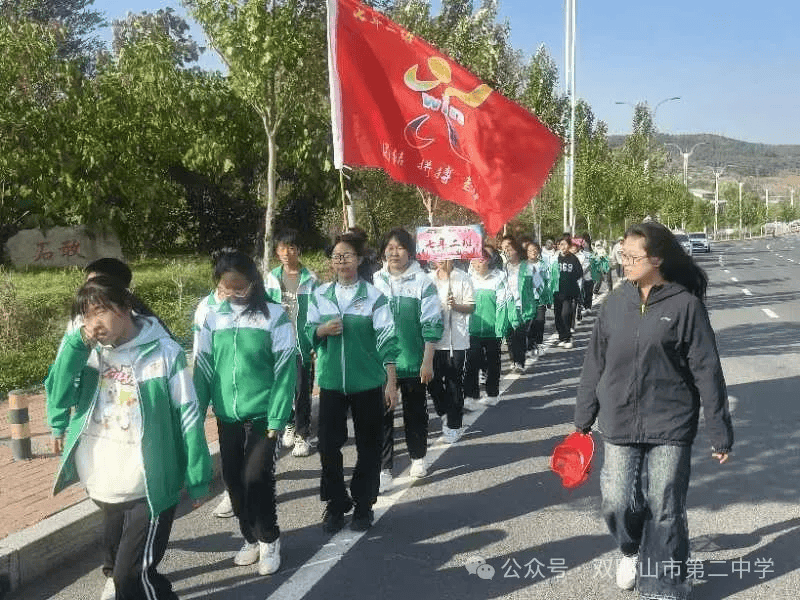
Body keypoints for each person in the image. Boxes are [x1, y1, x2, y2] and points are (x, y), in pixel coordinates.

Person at [575, 221, 733, 600]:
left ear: (657, 259)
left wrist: (719, 431)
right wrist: (583, 417)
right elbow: (594, 362)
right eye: (622, 254)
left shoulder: (685, 306)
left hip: (671, 422)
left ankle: (664, 585)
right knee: (615, 500)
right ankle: (630, 550)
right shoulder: (614, 302)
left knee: (665, 505)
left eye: (632, 256)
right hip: (619, 419)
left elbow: (707, 370)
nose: (624, 262)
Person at [46, 276, 212, 600]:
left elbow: (189, 416)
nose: (93, 324)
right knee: (132, 578)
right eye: (86, 316)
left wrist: (197, 476)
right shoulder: (87, 353)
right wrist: (77, 346)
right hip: (106, 480)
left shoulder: (163, 353)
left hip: (147, 486)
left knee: (130, 577)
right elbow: (58, 392)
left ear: (124, 308)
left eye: (100, 312)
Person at [193, 250, 296, 575]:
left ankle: (269, 539)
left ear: (253, 282)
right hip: (227, 415)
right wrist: (196, 411)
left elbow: (285, 370)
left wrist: (279, 417)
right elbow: (204, 369)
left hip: (265, 414)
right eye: (226, 288)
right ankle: (249, 538)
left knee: (256, 478)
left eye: (240, 287)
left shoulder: (274, 316)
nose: (234, 294)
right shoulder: (213, 317)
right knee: (233, 481)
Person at [306, 232, 400, 533]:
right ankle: (335, 503)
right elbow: (304, 334)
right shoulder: (320, 296)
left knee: (369, 446)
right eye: (336, 256)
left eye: (347, 255)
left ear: (360, 260)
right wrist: (320, 330)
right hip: (332, 383)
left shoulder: (374, 297)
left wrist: (390, 382)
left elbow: (387, 341)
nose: (341, 260)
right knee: (329, 447)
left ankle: (363, 504)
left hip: (368, 383)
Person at [374, 228, 443, 490]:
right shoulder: (375, 280)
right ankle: (384, 468)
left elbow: (432, 323)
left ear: (410, 252)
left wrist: (427, 361)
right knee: (383, 415)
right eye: (389, 247)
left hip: (413, 360)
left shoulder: (423, 281)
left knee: (415, 413)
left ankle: (418, 457)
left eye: (400, 247)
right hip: (382, 363)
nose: (394, 252)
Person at [267, 229, 318, 458]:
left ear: (298, 250)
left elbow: (319, 313)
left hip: (301, 345)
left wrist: (316, 341)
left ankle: (302, 436)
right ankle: (288, 424)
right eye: (281, 248)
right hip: (278, 345)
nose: (286, 253)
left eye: (291, 247)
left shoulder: (311, 279)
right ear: (277, 252)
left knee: (302, 391)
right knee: (280, 390)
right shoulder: (271, 279)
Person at [428, 258, 475, 443]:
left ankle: (455, 425)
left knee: (454, 382)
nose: (439, 261)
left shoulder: (462, 278)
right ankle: (444, 411)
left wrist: (455, 305)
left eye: (443, 258)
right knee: (432, 381)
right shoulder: (428, 279)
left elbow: (471, 306)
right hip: (433, 340)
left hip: (456, 340)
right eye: (436, 257)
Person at [464, 248, 510, 407]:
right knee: (471, 361)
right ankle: (471, 395)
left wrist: (500, 327)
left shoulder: (499, 278)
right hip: (472, 329)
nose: (477, 263)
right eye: (474, 260)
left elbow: (503, 303)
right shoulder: (467, 279)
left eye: (481, 259)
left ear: (489, 260)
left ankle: (492, 393)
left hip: (493, 329)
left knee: (493, 361)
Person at [500, 235, 535, 373]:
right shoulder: (503, 268)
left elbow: (538, 284)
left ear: (517, 250)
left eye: (509, 249)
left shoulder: (528, 266)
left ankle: (519, 362)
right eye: (504, 250)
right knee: (509, 335)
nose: (506, 252)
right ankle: (513, 359)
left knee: (519, 334)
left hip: (524, 306)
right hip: (508, 306)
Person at [553, 235, 583, 348]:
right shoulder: (554, 258)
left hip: (569, 292)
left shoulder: (573, 259)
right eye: (561, 244)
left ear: (569, 246)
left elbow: (579, 273)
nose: (563, 246)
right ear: (558, 246)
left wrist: (572, 283)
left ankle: (569, 337)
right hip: (556, 291)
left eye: (565, 244)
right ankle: (562, 337)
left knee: (566, 314)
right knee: (558, 316)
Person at [525, 242, 550, 359]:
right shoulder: (523, 266)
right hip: (527, 301)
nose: (533, 252)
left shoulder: (543, 265)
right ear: (526, 252)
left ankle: (539, 344)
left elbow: (548, 281)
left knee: (540, 322)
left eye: (535, 250)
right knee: (529, 324)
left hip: (540, 299)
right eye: (530, 250)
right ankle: (530, 346)